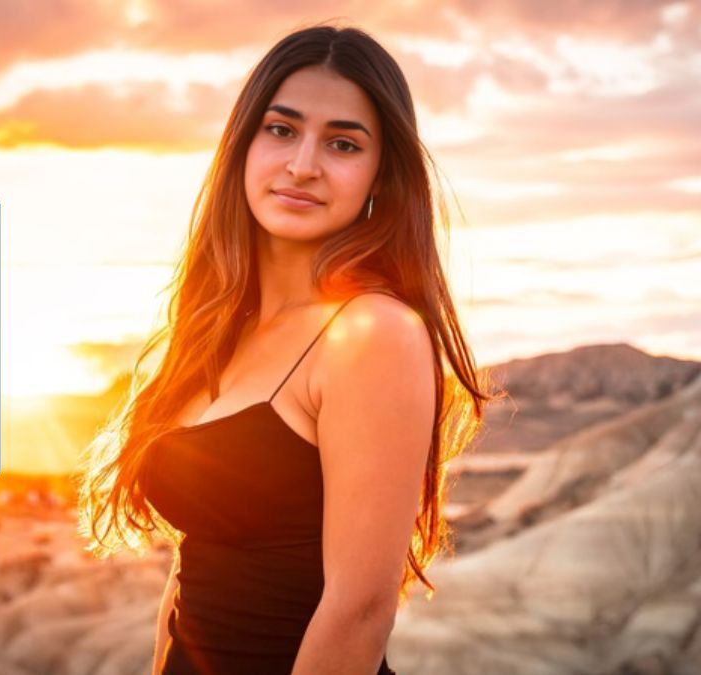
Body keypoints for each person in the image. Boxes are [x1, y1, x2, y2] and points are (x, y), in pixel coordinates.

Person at [78, 24, 499, 675]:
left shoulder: (372, 333)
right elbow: (195, 565)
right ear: (243, 145)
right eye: (281, 129)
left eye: (342, 143)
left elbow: (359, 608)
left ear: (380, 177)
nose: (304, 164)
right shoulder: (222, 326)